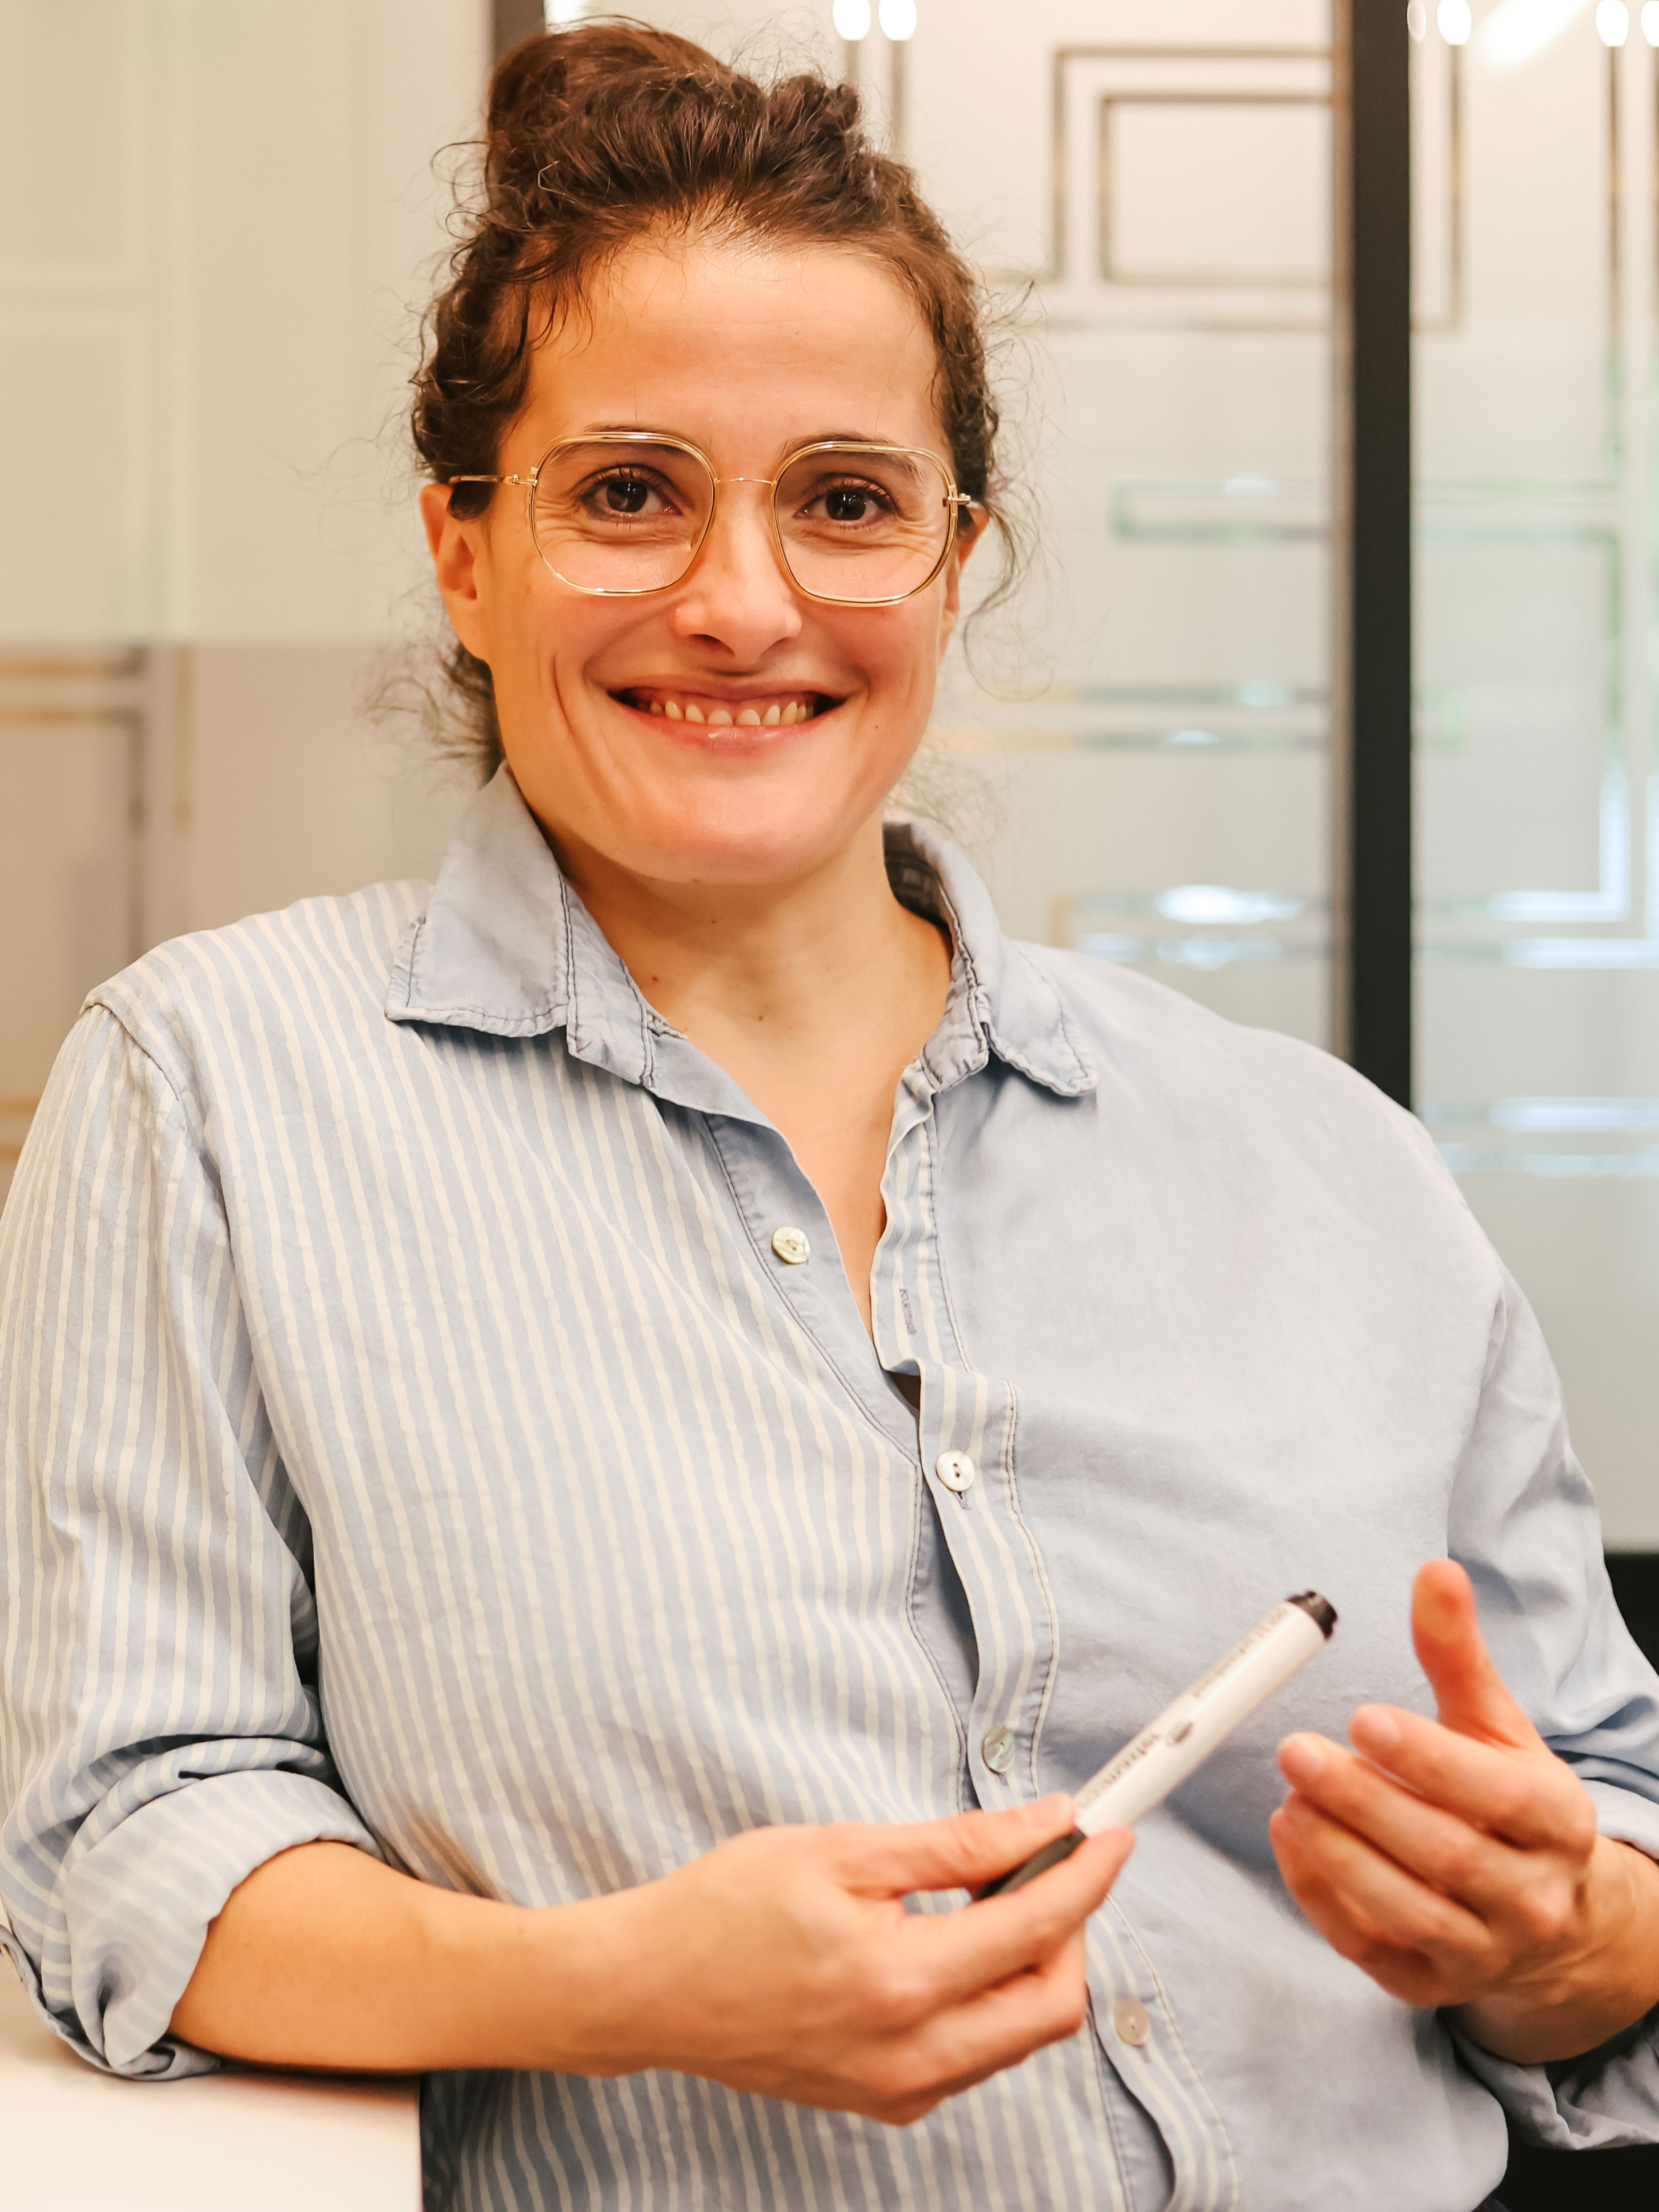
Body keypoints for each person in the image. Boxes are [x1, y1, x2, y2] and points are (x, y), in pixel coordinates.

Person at [3, 24, 1659, 2211]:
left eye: (848, 502)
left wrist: (1568, 1935)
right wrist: (617, 1985)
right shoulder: (208, 1084)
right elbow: (122, 1837)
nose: (745, 602)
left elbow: (1612, 1825)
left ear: (954, 562)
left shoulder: (1324, 1157)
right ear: (461, 548)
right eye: (627, 492)